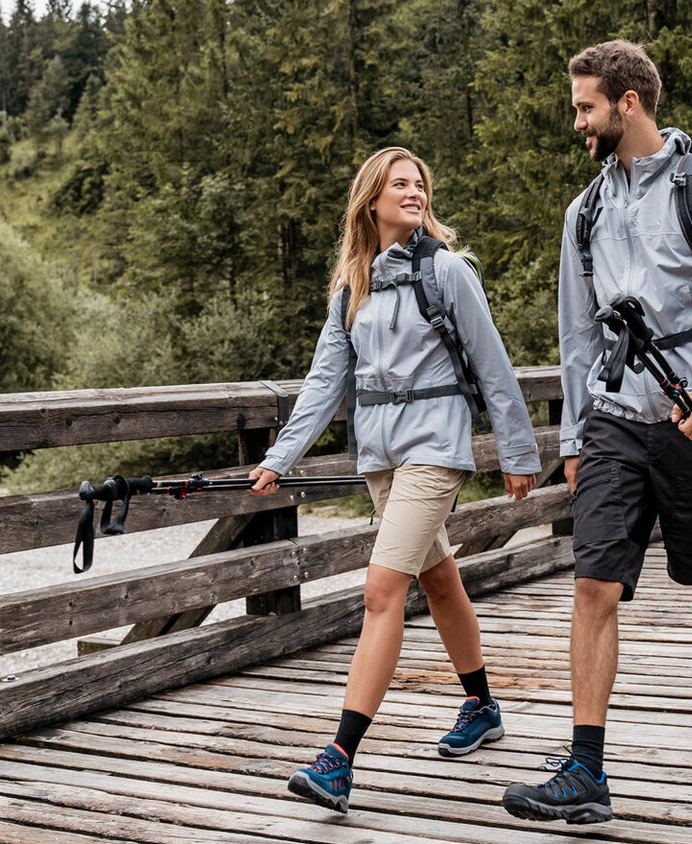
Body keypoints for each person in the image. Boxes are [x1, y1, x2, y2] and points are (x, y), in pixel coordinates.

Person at [502, 40, 692, 825]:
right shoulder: (583, 214)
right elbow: (576, 333)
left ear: (628, 103)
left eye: (585, 106)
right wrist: (574, 438)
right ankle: (586, 768)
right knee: (593, 583)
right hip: (615, 418)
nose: (577, 121)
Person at [248, 146, 541, 815]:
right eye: (399, 183)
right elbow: (326, 383)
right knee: (438, 578)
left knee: (383, 591)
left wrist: (518, 452)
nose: (413, 192)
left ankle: (338, 761)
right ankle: (482, 704)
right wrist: (281, 457)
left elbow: (492, 362)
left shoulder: (448, 271)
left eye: (420, 185)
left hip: (435, 448)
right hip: (380, 455)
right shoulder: (353, 286)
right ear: (371, 199)